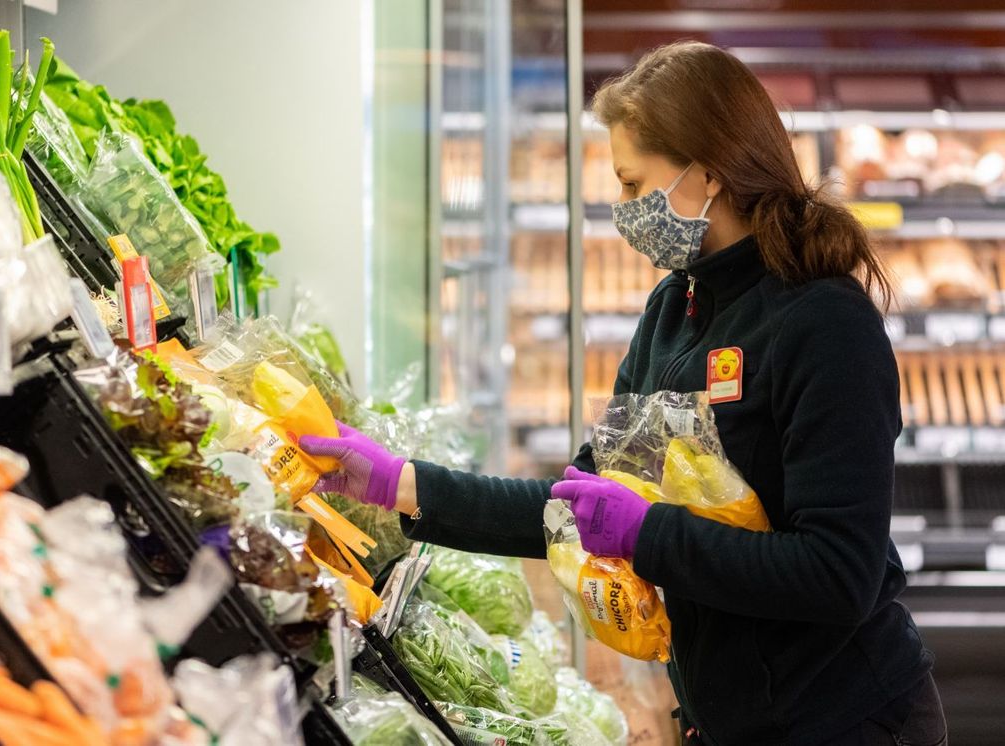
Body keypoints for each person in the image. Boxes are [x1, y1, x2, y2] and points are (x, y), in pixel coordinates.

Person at [301, 41, 947, 746]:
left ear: (708, 172)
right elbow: (578, 507)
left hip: (843, 722)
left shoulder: (824, 325)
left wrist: (646, 533)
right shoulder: (675, 308)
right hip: (729, 718)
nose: (624, 208)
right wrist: (401, 483)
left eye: (636, 186)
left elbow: (839, 574)